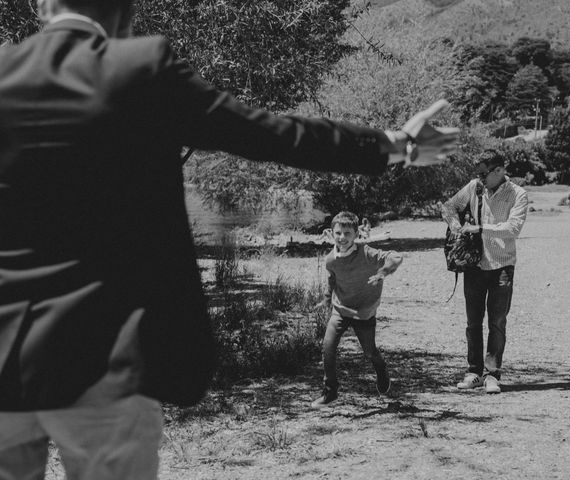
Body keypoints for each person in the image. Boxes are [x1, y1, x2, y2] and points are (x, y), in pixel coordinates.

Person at [0, 0, 459, 477]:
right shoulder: (139, 67)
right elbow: (274, 134)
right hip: (105, 359)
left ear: (39, 3)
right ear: (125, 9)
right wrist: (397, 144)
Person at [441, 150, 528, 394]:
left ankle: (492, 374)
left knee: (497, 321)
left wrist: (480, 228)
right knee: (473, 322)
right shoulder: (473, 187)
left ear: (499, 170)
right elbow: (448, 207)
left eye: (483, 173)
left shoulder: (518, 194)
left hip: (502, 265)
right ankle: (473, 372)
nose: (479, 178)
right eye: (477, 173)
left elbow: (513, 229)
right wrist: (456, 225)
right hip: (475, 265)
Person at [312, 212, 402, 409]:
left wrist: (382, 272)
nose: (342, 237)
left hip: (364, 312)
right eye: (338, 233)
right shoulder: (330, 259)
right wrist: (326, 299)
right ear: (330, 233)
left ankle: (381, 369)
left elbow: (396, 257)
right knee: (327, 347)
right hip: (341, 310)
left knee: (369, 351)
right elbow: (332, 278)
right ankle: (330, 391)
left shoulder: (366, 253)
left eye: (347, 233)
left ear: (356, 234)